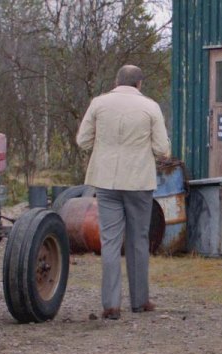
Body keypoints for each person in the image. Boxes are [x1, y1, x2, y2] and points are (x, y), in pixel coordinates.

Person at [76, 65, 171, 320]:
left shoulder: (98, 104)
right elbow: (162, 148)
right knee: (138, 239)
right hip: (139, 181)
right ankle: (139, 301)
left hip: (106, 179)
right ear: (139, 83)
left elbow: (82, 141)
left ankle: (111, 304)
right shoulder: (150, 107)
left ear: (117, 81)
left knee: (109, 240)